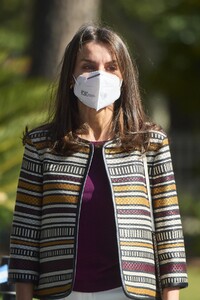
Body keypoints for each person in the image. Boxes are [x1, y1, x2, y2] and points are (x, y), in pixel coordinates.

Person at [8, 23, 188, 300]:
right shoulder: (42, 144)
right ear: (71, 76)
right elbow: (26, 231)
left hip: (131, 291)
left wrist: (171, 294)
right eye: (88, 66)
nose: (99, 75)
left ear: (124, 76)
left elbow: (168, 228)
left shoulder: (149, 142)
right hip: (60, 291)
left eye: (111, 67)